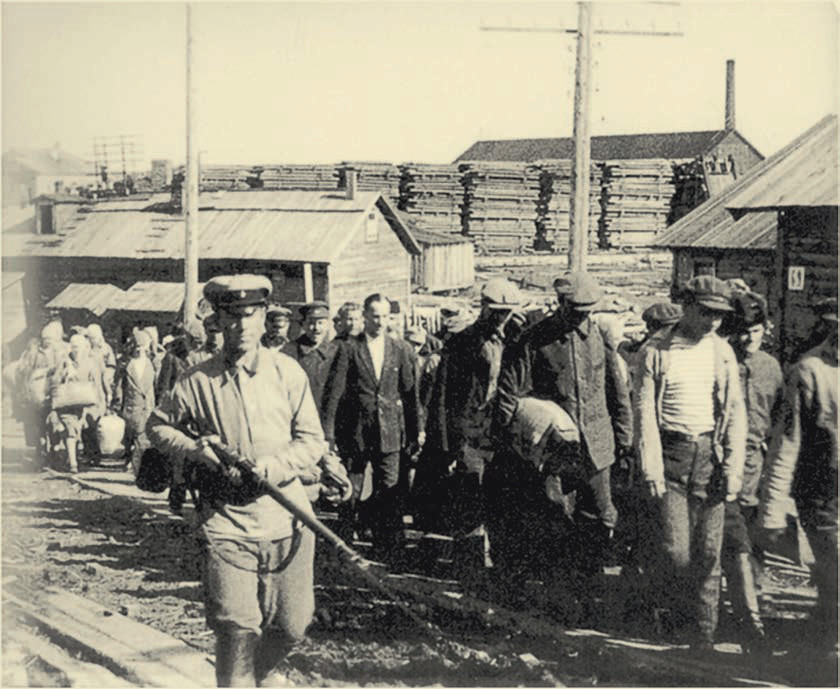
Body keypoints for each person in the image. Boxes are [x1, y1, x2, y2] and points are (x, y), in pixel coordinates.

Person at [146, 274, 327, 687]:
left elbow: (312, 440)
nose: (242, 325)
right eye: (232, 316)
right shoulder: (196, 380)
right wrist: (196, 450)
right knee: (235, 626)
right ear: (218, 322)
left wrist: (273, 468)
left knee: (293, 625)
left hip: (288, 519)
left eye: (250, 315)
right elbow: (157, 426)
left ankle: (252, 679)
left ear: (263, 319)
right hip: (226, 523)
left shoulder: (287, 373)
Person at [492, 271, 633, 610]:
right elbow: (510, 395)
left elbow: (616, 392)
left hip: (597, 447)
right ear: (561, 304)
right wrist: (513, 441)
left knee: (599, 518)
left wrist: (624, 438)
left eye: (587, 311)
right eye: (575, 311)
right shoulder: (534, 340)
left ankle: (588, 587)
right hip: (554, 450)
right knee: (554, 518)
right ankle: (560, 595)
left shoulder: (598, 337)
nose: (582, 317)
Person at [634, 275, 746, 652]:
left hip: (709, 457)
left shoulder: (721, 352)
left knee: (709, 552)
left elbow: (735, 412)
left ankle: (703, 637)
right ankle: (675, 619)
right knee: (676, 551)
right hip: (671, 456)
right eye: (706, 312)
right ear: (686, 308)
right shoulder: (655, 350)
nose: (713, 321)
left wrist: (733, 468)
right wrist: (651, 467)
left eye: (719, 315)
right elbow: (644, 413)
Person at [419, 277, 524, 573]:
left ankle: (500, 569)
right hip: (470, 434)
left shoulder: (515, 341)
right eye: (497, 312)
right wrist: (448, 443)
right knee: (469, 499)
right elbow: (444, 396)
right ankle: (469, 568)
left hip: (502, 432)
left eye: (507, 313)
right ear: (484, 308)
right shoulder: (462, 343)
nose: (502, 318)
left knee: (500, 500)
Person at [759, 297, 837, 659]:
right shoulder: (809, 370)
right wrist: (773, 509)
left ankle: (819, 646)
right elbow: (786, 444)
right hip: (823, 496)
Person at [323, 293, 420, 561]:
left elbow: (410, 395)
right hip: (355, 432)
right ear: (365, 316)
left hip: (390, 431)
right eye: (375, 316)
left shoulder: (400, 349)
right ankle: (343, 545)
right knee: (350, 489)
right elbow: (334, 394)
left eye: (385, 316)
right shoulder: (349, 349)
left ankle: (388, 547)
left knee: (389, 489)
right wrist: (328, 435)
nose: (380, 321)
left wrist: (415, 432)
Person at [719, 291, 783, 652]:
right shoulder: (720, 360)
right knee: (734, 545)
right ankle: (749, 623)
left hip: (758, 471)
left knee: (754, 544)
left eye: (755, 331)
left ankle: (751, 605)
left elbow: (779, 420)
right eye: (742, 331)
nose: (748, 338)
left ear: (765, 329)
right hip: (724, 468)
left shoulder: (771, 368)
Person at [47, 333, 109, 472]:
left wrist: (101, 402)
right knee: (70, 430)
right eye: (73, 347)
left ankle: (71, 457)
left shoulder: (90, 363)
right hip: (66, 403)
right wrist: (64, 373)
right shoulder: (64, 361)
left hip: (83, 404)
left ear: (85, 347)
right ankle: (73, 464)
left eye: (78, 347)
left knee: (76, 432)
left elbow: (96, 384)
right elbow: (54, 381)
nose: (76, 350)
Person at [12, 320, 69, 463]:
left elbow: (65, 370)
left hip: (55, 395)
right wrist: (41, 373)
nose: (47, 341)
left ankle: (54, 453)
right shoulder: (33, 353)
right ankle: (41, 453)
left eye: (50, 338)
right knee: (40, 425)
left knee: (54, 424)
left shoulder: (60, 352)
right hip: (38, 396)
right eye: (45, 339)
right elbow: (23, 371)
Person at [282, 302, 337, 420]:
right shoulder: (290, 351)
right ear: (303, 325)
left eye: (320, 323)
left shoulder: (336, 351)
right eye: (311, 323)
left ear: (328, 325)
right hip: (301, 416)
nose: (316, 328)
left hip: (330, 418)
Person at [114, 330, 157, 465]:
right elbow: (119, 385)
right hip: (131, 404)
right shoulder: (127, 364)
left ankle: (137, 462)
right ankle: (130, 457)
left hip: (147, 405)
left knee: (142, 435)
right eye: (138, 346)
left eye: (143, 346)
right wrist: (117, 402)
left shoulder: (153, 364)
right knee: (131, 433)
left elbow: (157, 385)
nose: (140, 350)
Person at [85, 323, 117, 402]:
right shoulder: (86, 348)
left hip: (103, 379)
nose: (92, 341)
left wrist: (107, 376)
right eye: (90, 338)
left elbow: (111, 365)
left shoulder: (106, 348)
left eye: (93, 338)